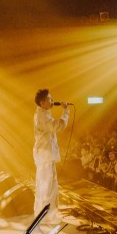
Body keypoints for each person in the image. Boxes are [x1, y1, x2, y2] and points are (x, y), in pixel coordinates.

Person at [33, 89, 70, 222]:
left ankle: (46, 215)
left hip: (45, 155)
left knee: (47, 186)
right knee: (47, 187)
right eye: (49, 99)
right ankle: (46, 217)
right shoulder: (43, 116)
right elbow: (57, 125)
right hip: (45, 155)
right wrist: (65, 111)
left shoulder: (42, 113)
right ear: (42, 102)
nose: (52, 101)